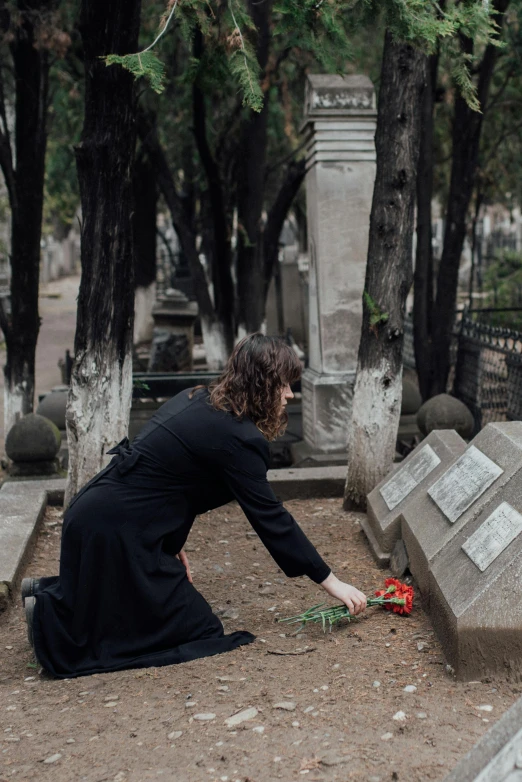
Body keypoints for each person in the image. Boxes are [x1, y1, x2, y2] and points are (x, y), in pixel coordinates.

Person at [23, 334, 367, 678]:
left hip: (99, 515)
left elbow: (166, 480)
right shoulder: (239, 439)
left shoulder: (200, 398)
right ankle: (50, 618)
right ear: (261, 385)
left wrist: (171, 543)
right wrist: (331, 582)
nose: (290, 395)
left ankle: (47, 596)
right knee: (196, 629)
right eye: (283, 385)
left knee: (136, 604)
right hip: (116, 529)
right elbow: (271, 518)